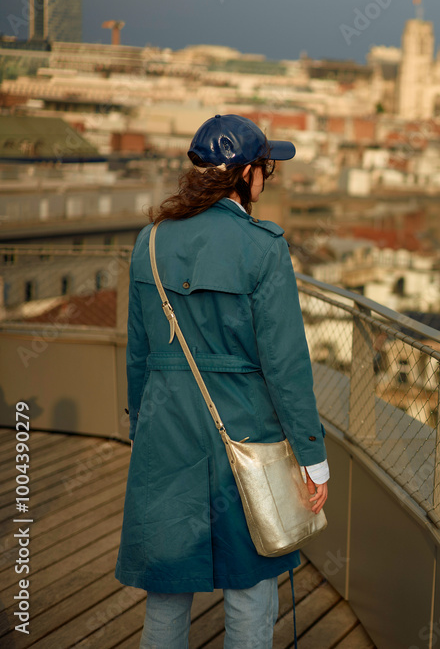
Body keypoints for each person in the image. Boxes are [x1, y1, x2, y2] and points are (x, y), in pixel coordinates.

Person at [115, 114, 329, 649]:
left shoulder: (150, 241)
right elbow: (285, 365)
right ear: (246, 175)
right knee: (251, 584)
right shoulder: (263, 246)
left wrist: (140, 428)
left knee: (166, 587)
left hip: (166, 430)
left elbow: (139, 352)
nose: (266, 180)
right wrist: (311, 456)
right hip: (246, 431)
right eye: (265, 170)